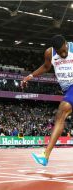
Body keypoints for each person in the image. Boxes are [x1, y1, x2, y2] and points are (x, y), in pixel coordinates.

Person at [21, 35, 73, 166]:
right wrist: (30, 76)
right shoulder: (49, 53)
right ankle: (45, 156)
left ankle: (45, 155)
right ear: (54, 49)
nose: (63, 53)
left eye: (64, 50)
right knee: (60, 116)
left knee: (61, 112)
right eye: (60, 52)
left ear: (66, 44)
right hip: (67, 90)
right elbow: (46, 66)